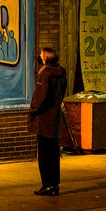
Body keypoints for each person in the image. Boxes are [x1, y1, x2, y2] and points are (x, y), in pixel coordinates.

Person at [28, 47, 67, 196]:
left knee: (44, 155)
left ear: (46, 58)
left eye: (41, 55)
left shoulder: (45, 75)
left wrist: (33, 112)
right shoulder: (61, 73)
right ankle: (54, 185)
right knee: (53, 154)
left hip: (44, 119)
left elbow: (40, 99)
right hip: (55, 118)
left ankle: (47, 185)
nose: (39, 57)